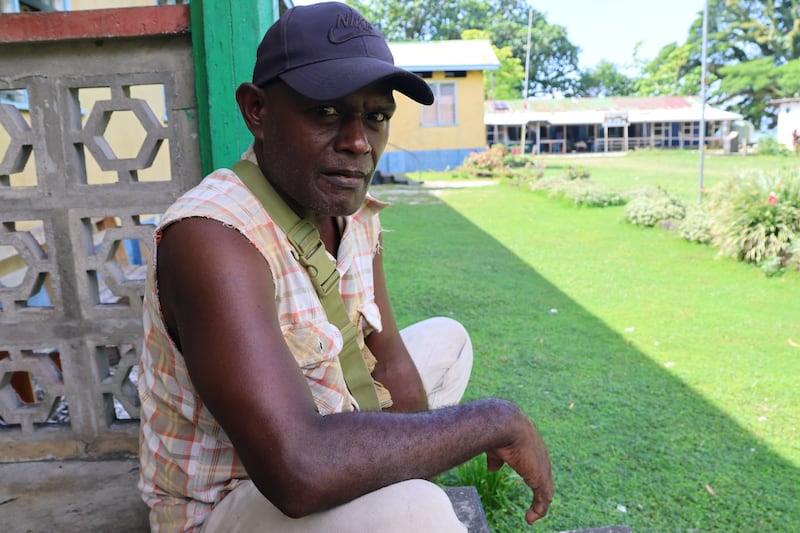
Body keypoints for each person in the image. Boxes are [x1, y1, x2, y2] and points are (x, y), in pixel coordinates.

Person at [137, 3, 553, 532]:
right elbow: (297, 471)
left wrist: (413, 470)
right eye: (326, 112)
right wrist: (494, 422)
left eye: (376, 116)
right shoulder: (211, 237)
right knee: (418, 514)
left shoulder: (349, 206)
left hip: (321, 434)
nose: (358, 142)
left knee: (449, 343)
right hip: (235, 496)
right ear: (256, 110)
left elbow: (390, 359)